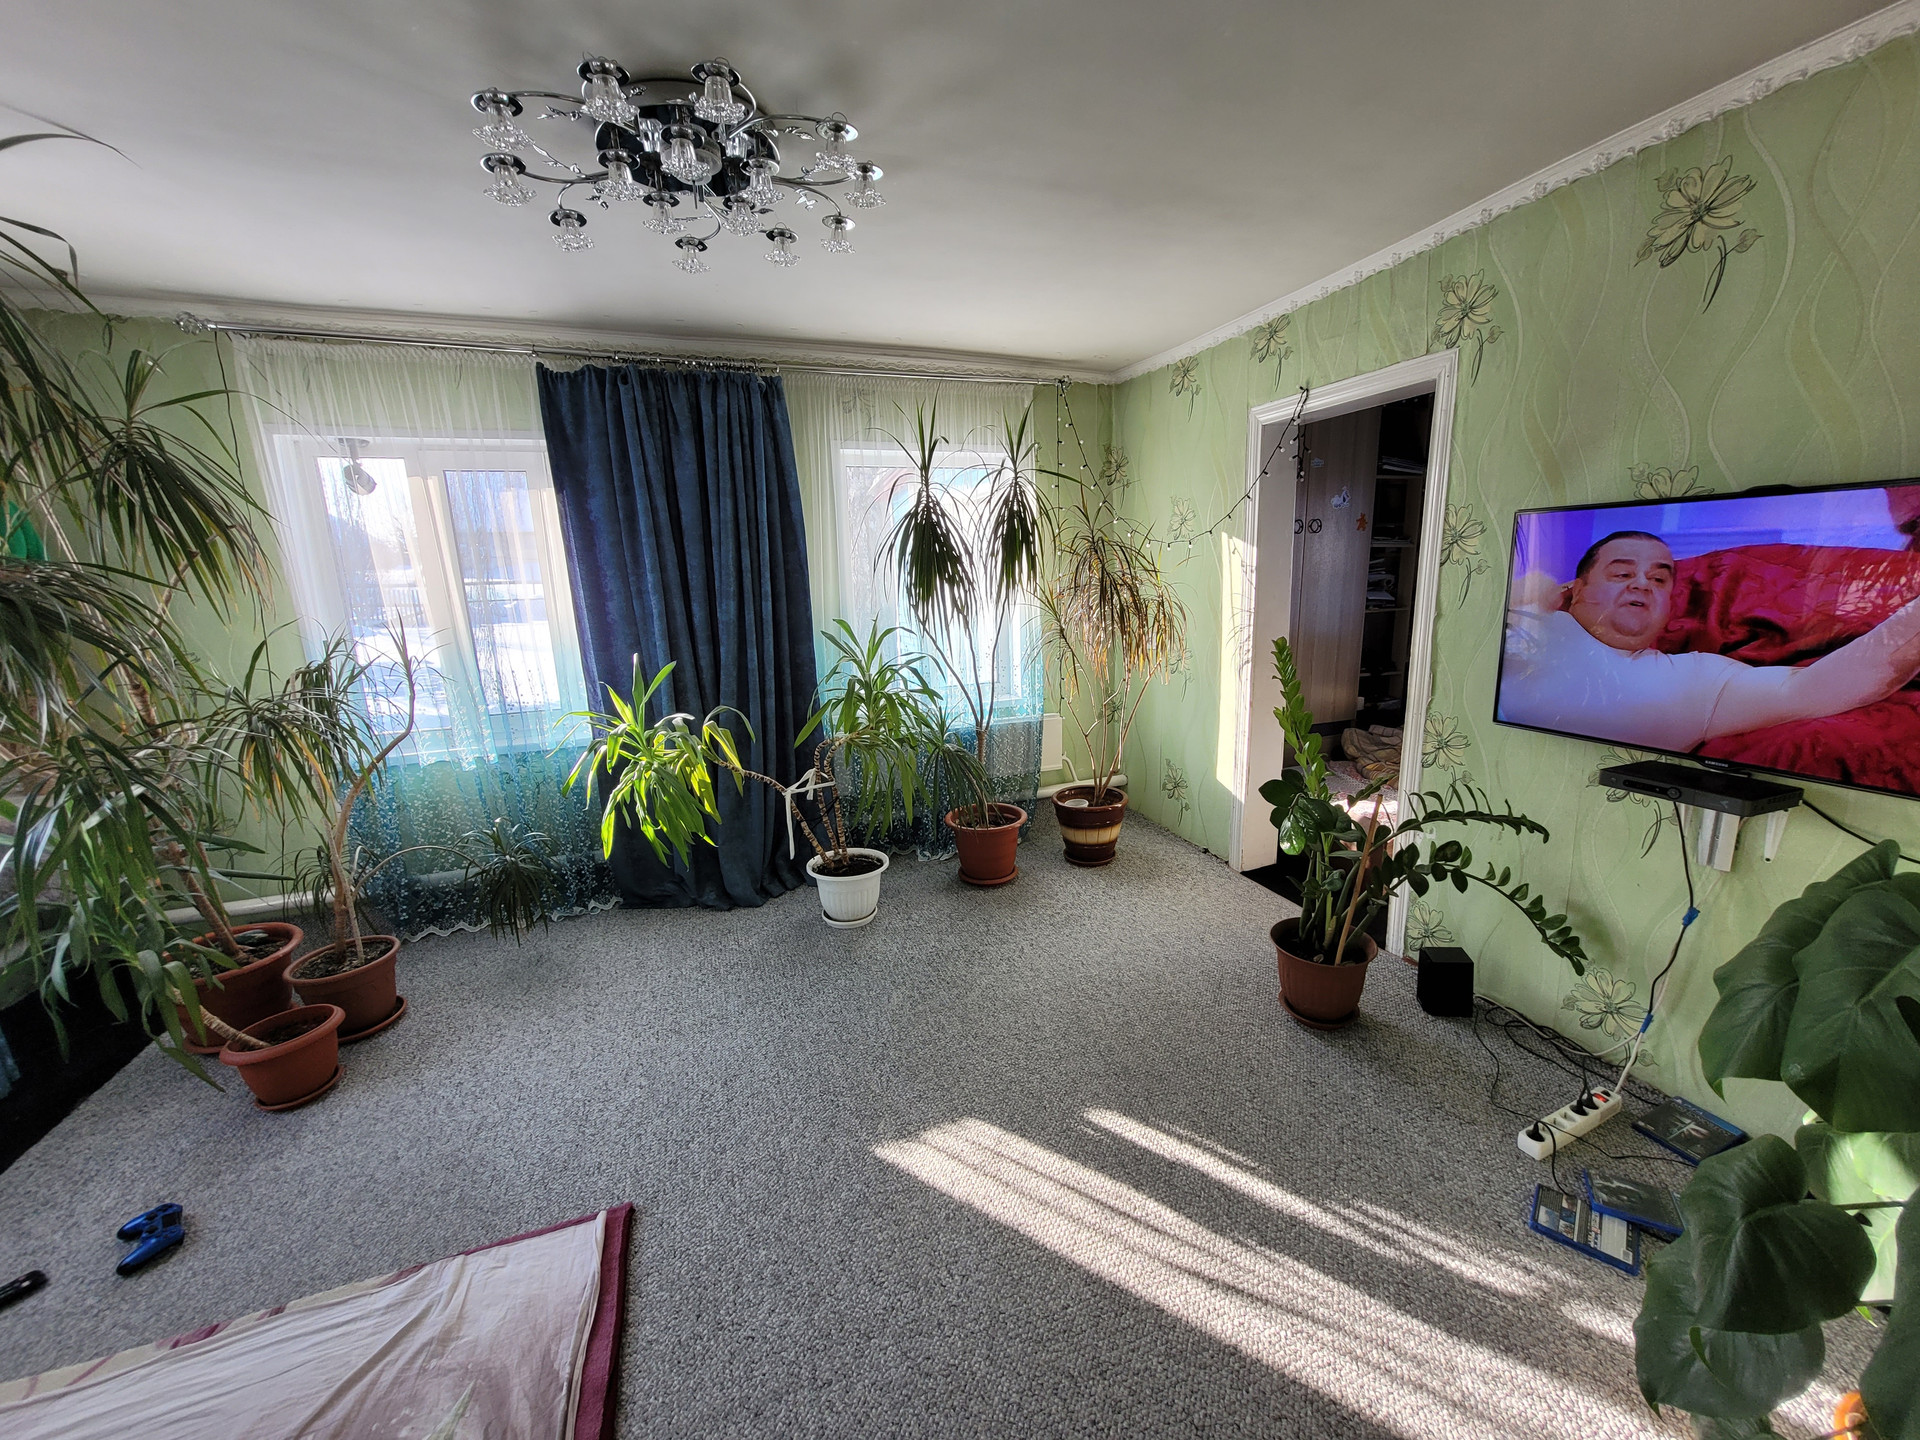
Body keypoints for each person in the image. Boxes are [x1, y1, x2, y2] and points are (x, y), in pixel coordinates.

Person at [1499, 530, 1920, 752]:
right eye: (1622, 573)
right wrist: (1523, 595)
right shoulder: (1530, 619)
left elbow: (1819, 688)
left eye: (1659, 579)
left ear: (1669, 605)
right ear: (1576, 588)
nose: (1642, 583)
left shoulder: (1696, 679)